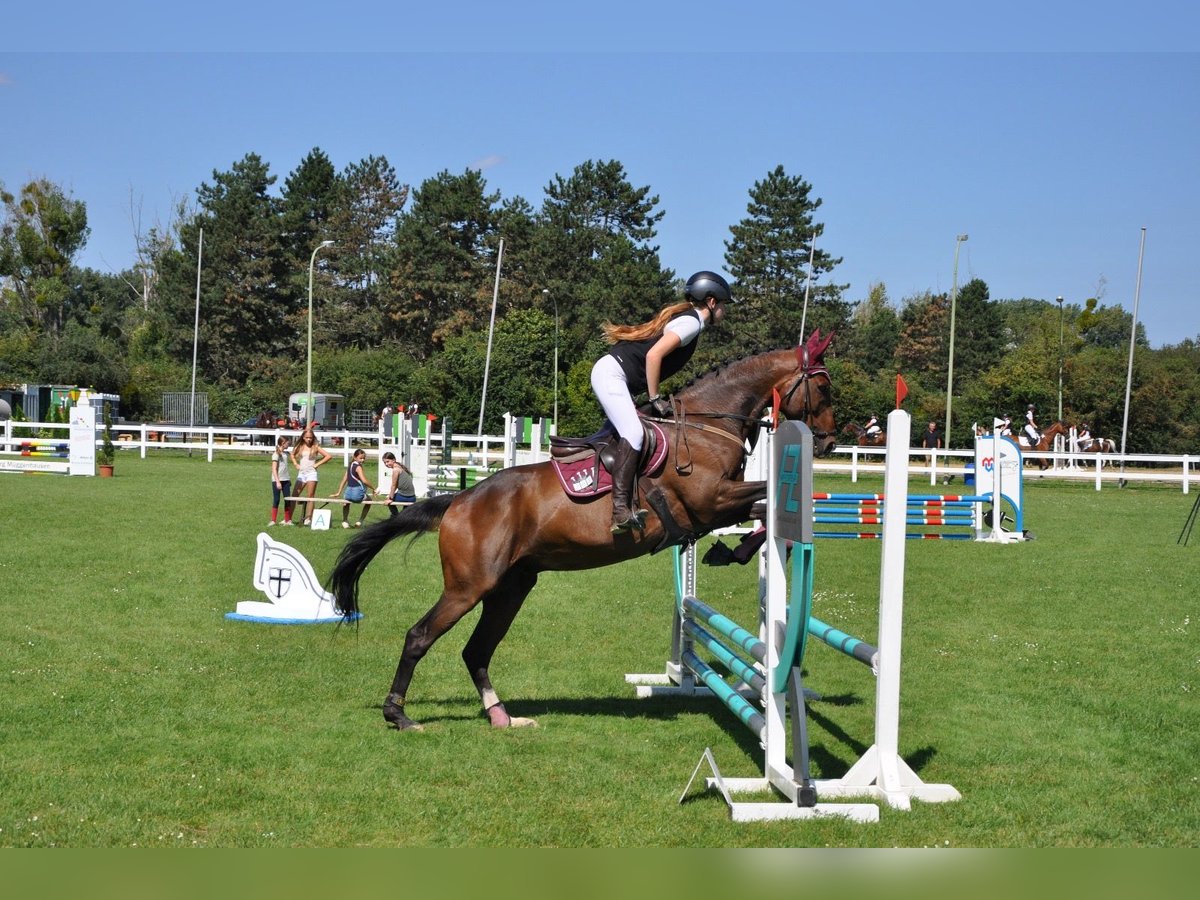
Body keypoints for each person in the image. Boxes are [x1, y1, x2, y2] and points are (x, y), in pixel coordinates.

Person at [590, 270, 734, 532]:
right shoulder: (692, 323)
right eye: (723, 304)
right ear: (712, 302)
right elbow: (654, 356)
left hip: (616, 375)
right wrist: (655, 397)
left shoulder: (688, 321)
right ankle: (620, 510)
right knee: (634, 432)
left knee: (639, 428)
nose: (724, 310)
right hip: (612, 374)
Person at [290, 431, 332, 525]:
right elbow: (292, 454)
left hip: (311, 474)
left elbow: (328, 456)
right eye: (307, 437)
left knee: (310, 496)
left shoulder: (315, 447)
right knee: (294, 496)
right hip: (301, 473)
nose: (309, 439)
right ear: (303, 437)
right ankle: (289, 518)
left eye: (310, 438)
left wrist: (317, 464)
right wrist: (295, 464)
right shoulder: (300, 446)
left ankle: (308, 518)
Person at [329, 448, 376, 528]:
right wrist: (373, 488)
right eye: (360, 458)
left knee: (346, 503)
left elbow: (344, 479)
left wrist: (339, 492)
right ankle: (360, 521)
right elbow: (364, 481)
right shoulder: (358, 467)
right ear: (355, 457)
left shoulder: (350, 465)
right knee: (369, 501)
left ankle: (345, 521)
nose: (362, 460)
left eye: (364, 458)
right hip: (356, 494)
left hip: (347, 493)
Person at [268, 436, 295, 526]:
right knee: (276, 500)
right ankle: (273, 520)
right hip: (277, 480)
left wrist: (288, 479)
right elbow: (274, 469)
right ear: (283, 444)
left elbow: (285, 468)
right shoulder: (276, 454)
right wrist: (278, 481)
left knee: (287, 500)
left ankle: (287, 520)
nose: (289, 444)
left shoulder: (285, 454)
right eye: (288, 443)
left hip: (286, 480)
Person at [382, 451, 417, 516]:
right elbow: (396, 486)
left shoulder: (396, 470)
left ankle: (395, 517)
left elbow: (393, 485)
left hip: (404, 497)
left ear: (393, 460)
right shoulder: (400, 467)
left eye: (388, 461)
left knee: (389, 504)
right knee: (404, 516)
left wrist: (390, 499)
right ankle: (398, 518)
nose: (386, 464)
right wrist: (390, 496)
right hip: (412, 498)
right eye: (384, 462)